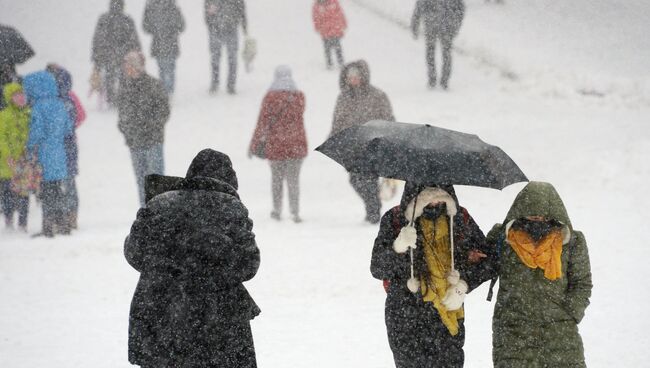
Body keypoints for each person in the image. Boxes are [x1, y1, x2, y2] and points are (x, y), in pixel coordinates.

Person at [125, 149, 260, 368]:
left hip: (160, 310)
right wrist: (212, 264)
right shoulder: (231, 208)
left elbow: (134, 253)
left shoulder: (159, 204)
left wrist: (169, 266)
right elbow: (249, 264)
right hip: (218, 318)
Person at [371, 183, 495, 367]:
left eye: (441, 196)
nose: (436, 201)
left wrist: (463, 285)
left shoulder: (460, 218)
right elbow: (378, 268)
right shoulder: (396, 219)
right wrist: (398, 248)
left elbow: (489, 261)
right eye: (428, 196)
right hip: (405, 314)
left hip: (448, 309)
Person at [486, 182, 592, 368]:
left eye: (542, 216)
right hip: (514, 331)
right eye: (531, 214)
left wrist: (570, 312)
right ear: (520, 210)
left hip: (560, 331)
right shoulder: (503, 238)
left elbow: (581, 282)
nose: (537, 219)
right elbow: (480, 267)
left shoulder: (572, 242)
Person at [331, 60, 395, 224]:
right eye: (349, 77)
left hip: (373, 145)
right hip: (353, 146)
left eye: (356, 76)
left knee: (369, 178)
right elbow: (337, 121)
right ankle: (373, 205)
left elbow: (388, 119)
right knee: (355, 179)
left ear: (363, 77)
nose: (353, 80)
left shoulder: (377, 95)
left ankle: (373, 212)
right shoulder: (343, 98)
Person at [248, 66, 307, 223]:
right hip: (296, 144)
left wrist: (254, 144)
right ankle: (295, 212)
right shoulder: (299, 97)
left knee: (276, 180)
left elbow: (262, 122)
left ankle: (276, 210)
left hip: (276, 144)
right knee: (293, 180)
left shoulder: (270, 98)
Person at [23, 71, 74, 237]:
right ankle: (63, 223)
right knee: (59, 190)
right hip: (60, 153)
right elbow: (68, 128)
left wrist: (29, 147)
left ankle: (48, 226)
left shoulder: (38, 107)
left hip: (44, 154)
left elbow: (37, 132)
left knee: (47, 193)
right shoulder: (60, 104)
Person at [117, 51, 170, 206]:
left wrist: (150, 127)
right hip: (135, 143)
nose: (126, 68)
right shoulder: (125, 89)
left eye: (129, 65)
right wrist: (125, 129)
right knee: (141, 182)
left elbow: (164, 111)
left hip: (153, 141)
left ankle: (160, 214)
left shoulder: (154, 85)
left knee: (156, 182)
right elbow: (122, 114)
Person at [46, 64, 86, 230]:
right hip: (69, 144)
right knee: (69, 180)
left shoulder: (48, 100)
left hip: (54, 146)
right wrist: (69, 127)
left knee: (58, 182)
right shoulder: (70, 97)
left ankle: (60, 215)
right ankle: (71, 215)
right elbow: (81, 115)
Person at [91, 0, 141, 107]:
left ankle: (111, 98)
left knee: (110, 77)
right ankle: (121, 98)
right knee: (124, 77)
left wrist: (96, 56)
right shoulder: (127, 20)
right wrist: (137, 51)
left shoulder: (104, 19)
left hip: (108, 55)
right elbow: (133, 39)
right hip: (124, 56)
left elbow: (97, 39)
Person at [411, 0, 465, 89]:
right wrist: (456, 24)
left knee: (434, 52)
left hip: (435, 24)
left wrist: (415, 24)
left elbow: (419, 8)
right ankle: (441, 79)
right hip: (444, 25)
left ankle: (436, 79)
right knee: (443, 53)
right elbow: (460, 9)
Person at [0, 83, 30, 231]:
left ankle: (23, 221)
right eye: (16, 95)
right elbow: (1, 138)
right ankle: (8, 217)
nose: (20, 97)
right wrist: (8, 155)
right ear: (9, 98)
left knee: (24, 191)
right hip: (7, 163)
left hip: (24, 161)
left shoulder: (28, 113)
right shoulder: (4, 115)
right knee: (8, 191)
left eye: (22, 94)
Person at [204, 0, 248, 94]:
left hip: (229, 29)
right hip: (217, 29)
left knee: (231, 59)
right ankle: (217, 83)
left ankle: (229, 85)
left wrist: (244, 26)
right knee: (217, 59)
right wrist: (210, 23)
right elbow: (206, 10)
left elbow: (242, 10)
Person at [143, 0, 185, 95]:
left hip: (159, 43)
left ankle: (165, 92)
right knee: (169, 69)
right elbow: (181, 26)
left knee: (163, 69)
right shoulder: (173, 6)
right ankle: (168, 92)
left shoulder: (151, 7)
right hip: (170, 43)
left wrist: (156, 30)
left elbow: (146, 27)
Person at [312, 0, 347, 70]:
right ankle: (329, 63)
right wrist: (318, 27)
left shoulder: (334, 2)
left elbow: (340, 13)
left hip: (335, 29)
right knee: (327, 47)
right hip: (325, 31)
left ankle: (340, 62)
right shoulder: (317, 6)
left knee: (337, 46)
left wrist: (343, 23)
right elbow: (315, 18)